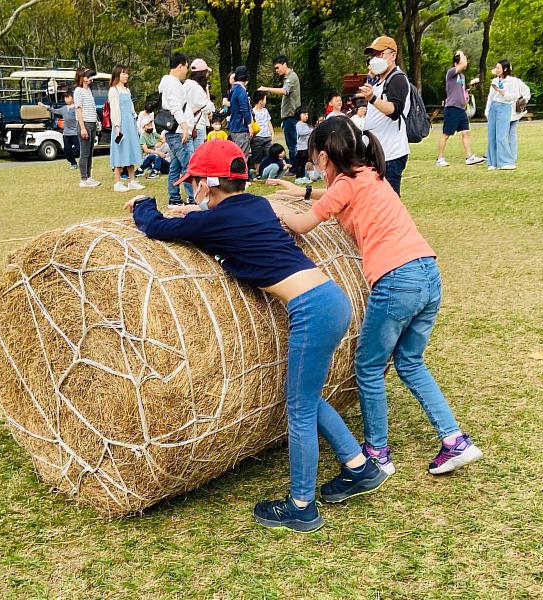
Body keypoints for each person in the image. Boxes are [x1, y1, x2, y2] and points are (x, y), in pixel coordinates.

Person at [124, 139, 388, 533]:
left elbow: (156, 227)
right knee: (306, 397)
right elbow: (216, 222)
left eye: (195, 182)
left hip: (312, 309)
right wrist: (194, 214)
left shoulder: (213, 220)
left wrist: (143, 203)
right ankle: (358, 466)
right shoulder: (257, 206)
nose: (194, 189)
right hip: (330, 298)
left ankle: (301, 505)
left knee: (297, 407)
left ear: (208, 184)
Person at [267, 117, 483, 479]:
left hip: (395, 280)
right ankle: (454, 439)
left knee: (368, 366)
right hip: (428, 274)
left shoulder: (346, 184)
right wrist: (300, 193)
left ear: (323, 158)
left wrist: (274, 209)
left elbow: (302, 224)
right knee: (410, 361)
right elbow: (336, 198)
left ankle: (377, 452)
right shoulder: (371, 175)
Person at [360, 36, 411, 194]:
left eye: (380, 54)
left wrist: (373, 99)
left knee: (389, 203)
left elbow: (395, 110)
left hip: (390, 154)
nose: (376, 59)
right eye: (374, 55)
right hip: (378, 152)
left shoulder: (397, 79)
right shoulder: (380, 80)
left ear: (393, 55)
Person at [435, 50, 485, 167]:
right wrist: (461, 53)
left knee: (466, 132)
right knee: (446, 135)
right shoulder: (451, 72)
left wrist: (466, 95)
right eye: (462, 61)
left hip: (461, 109)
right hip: (452, 108)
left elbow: (461, 90)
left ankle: (469, 157)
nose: (464, 64)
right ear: (456, 63)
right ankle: (440, 158)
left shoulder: (462, 76)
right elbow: (463, 64)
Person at [158, 53, 194, 205]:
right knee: (189, 165)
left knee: (175, 165)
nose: (187, 71)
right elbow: (175, 108)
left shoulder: (166, 82)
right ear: (180, 66)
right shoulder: (172, 84)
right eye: (186, 67)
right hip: (178, 131)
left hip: (174, 131)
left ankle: (174, 197)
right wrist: (185, 127)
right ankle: (193, 197)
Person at [258, 55, 301, 171]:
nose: (276, 71)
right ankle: (295, 167)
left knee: (292, 144)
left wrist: (266, 89)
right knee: (291, 143)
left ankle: (295, 169)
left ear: (284, 64)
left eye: (277, 67)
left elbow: (284, 91)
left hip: (291, 115)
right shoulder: (288, 77)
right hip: (288, 116)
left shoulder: (291, 77)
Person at [108, 65, 143, 192]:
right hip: (121, 124)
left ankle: (132, 180)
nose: (126, 76)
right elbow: (115, 110)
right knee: (120, 150)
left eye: (127, 73)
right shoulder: (114, 90)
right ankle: (117, 182)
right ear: (117, 74)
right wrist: (117, 126)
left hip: (130, 123)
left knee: (131, 150)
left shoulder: (126, 90)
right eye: (123, 73)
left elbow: (131, 107)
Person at [485, 59, 519, 170]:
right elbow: (490, 97)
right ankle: (492, 162)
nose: (496, 69)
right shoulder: (494, 81)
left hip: (505, 106)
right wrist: (487, 110)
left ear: (504, 69)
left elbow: (514, 96)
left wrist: (502, 91)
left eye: (498, 67)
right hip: (493, 108)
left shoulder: (512, 81)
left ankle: (506, 161)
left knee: (501, 136)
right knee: (492, 136)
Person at [74, 66, 101, 188]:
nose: (90, 78)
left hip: (92, 122)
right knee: (84, 153)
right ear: (82, 78)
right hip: (84, 123)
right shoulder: (78, 91)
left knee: (90, 152)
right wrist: (83, 127)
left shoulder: (88, 90)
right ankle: (83, 179)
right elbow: (79, 110)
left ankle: (88, 176)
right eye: (88, 76)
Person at [38, 92, 79, 169]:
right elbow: (53, 110)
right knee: (67, 150)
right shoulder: (63, 109)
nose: (66, 99)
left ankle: (86, 163)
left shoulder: (77, 108)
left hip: (76, 133)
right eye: (65, 98)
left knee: (80, 149)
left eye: (68, 97)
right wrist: (43, 106)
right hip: (66, 134)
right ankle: (73, 163)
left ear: (73, 98)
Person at [184, 59, 215, 152]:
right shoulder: (196, 88)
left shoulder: (186, 85)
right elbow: (207, 106)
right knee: (197, 154)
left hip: (188, 124)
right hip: (198, 125)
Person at [227, 66, 253, 163]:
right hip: (240, 127)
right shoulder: (241, 90)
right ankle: (240, 176)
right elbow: (244, 108)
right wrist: (249, 124)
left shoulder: (233, 89)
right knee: (242, 155)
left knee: (236, 153)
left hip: (233, 126)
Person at [508, 72, 532, 165]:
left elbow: (526, 92)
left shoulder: (515, 82)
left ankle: (511, 155)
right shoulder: (516, 81)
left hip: (513, 112)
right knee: (510, 134)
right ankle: (512, 156)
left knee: (508, 133)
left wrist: (522, 101)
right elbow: (527, 93)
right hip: (512, 112)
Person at [251, 90, 274, 171]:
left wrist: (272, 132)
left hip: (267, 136)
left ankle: (268, 170)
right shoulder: (253, 112)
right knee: (257, 155)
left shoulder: (265, 111)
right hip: (257, 137)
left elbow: (268, 122)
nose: (266, 101)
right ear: (261, 101)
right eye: (265, 99)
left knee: (269, 153)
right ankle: (258, 171)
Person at [294, 107, 313, 182]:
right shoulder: (299, 124)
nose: (306, 116)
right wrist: (310, 130)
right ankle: (298, 177)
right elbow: (301, 133)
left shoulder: (305, 124)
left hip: (306, 147)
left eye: (307, 114)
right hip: (301, 148)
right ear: (299, 115)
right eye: (304, 114)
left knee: (304, 162)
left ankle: (304, 176)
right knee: (300, 163)